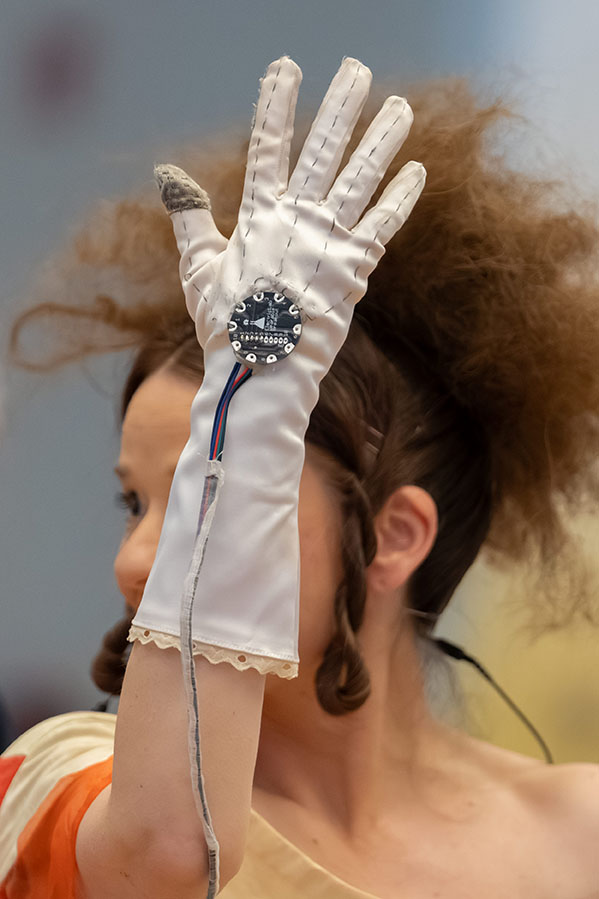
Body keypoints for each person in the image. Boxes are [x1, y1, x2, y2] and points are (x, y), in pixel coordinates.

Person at [1, 56, 599, 898]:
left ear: (394, 536)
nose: (133, 560)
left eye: (212, 487)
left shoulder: (581, 831)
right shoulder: (60, 780)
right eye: (135, 502)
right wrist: (248, 401)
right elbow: (170, 852)